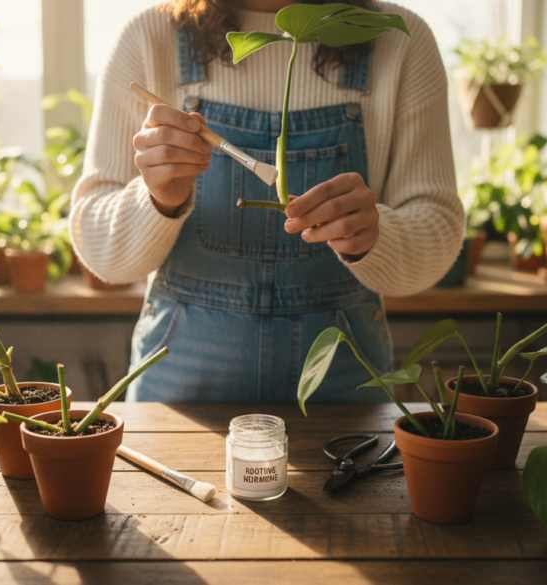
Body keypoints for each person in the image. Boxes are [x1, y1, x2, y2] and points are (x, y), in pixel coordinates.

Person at [70, 0, 462, 403]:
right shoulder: (150, 37)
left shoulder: (398, 40)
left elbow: (439, 224)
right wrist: (158, 200)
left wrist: (375, 237)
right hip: (180, 388)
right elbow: (103, 255)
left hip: (345, 380)